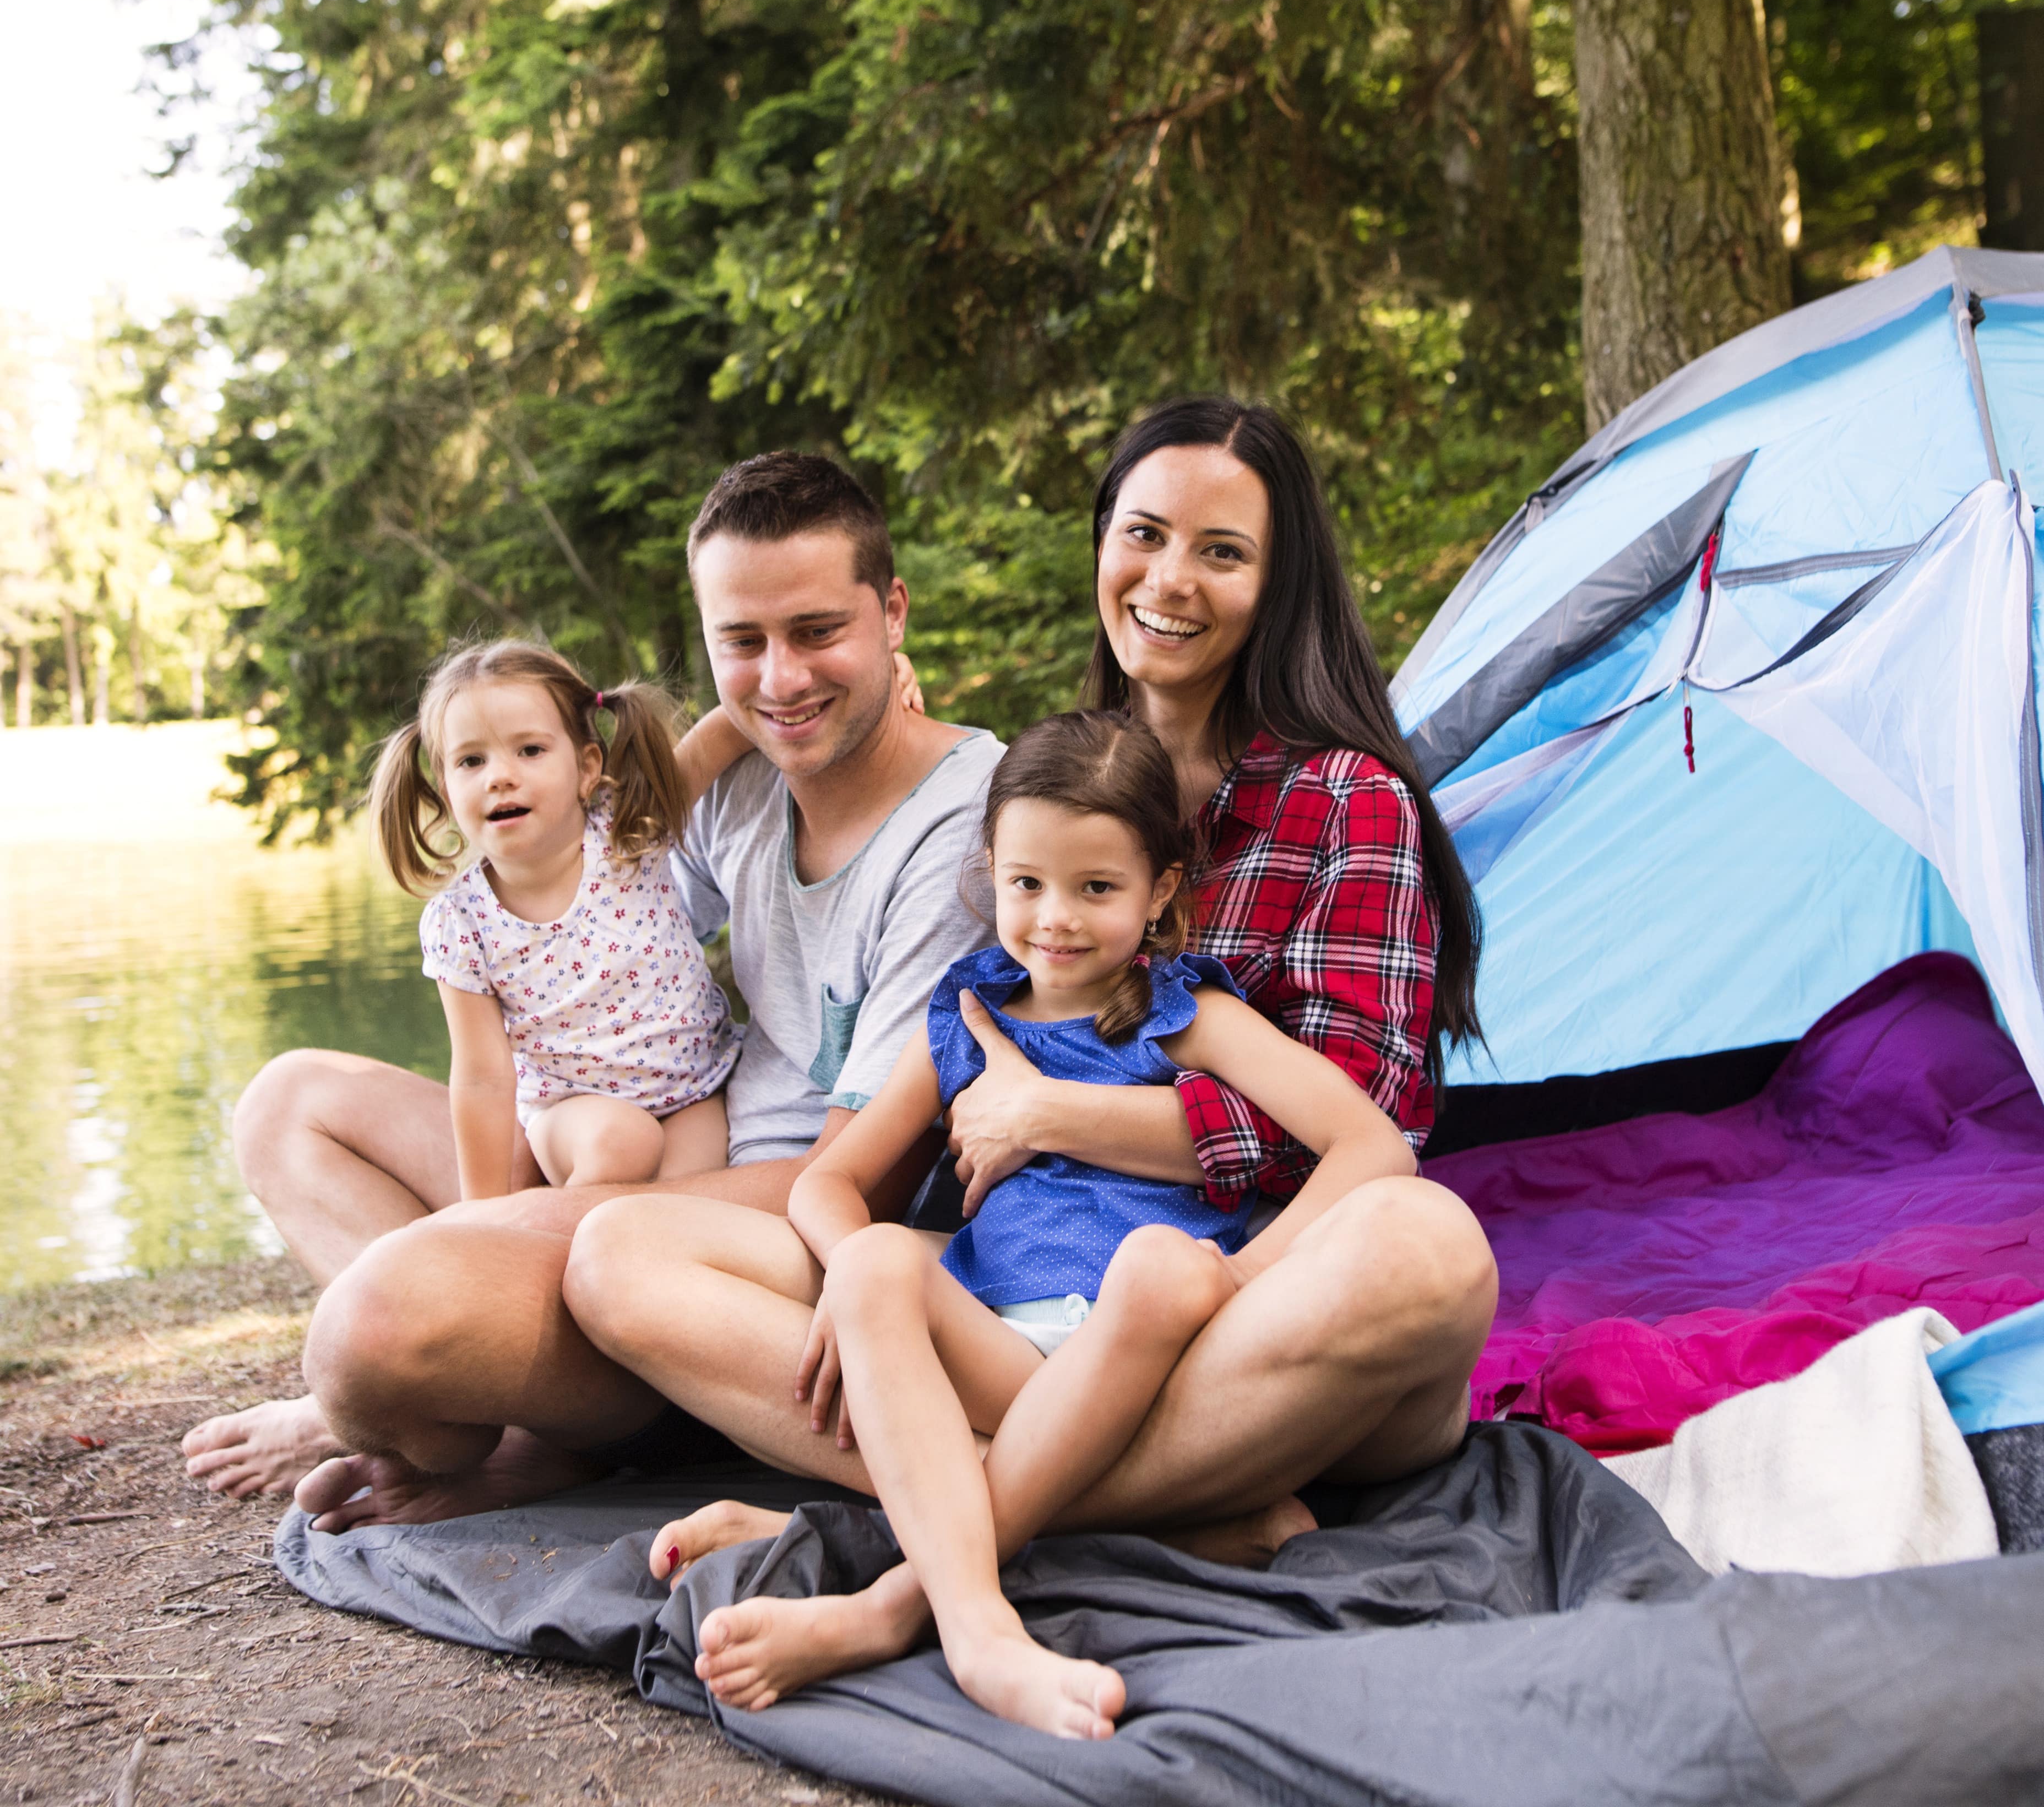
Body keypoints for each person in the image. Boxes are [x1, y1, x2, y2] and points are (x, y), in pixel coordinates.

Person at [567, 394, 1496, 1584]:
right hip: (1011, 1296)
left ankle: (904, 1535)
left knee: (1427, 1249)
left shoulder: (1341, 798)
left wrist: (1053, 1117)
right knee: (616, 1251)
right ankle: (1137, 1512)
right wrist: (721, 731)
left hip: (1242, 1304)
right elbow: (897, 1116)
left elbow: (1368, 1130)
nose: (1169, 578)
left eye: (1222, 551)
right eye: (1144, 534)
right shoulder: (1050, 774)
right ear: (1102, 540)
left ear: (1278, 582)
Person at [181, 452, 1003, 1514]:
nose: (781, 679)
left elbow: (869, 1175)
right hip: (639, 1168)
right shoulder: (751, 775)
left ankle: (497, 1407)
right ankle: (521, 1404)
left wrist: (542, 1224)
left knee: (366, 1337)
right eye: (740, 643)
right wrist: (533, 1170)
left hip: (770, 1244)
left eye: (817, 632)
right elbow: (608, 900)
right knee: (288, 1106)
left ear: (892, 613)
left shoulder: (965, 834)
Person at [648, 710, 1423, 1736]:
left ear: (1159, 894)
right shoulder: (970, 1010)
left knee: (1161, 1265)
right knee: (879, 1260)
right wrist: (846, 1268)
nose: (1054, 918)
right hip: (1001, 1347)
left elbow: (1372, 1145)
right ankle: (1003, 1602)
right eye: (1027, 884)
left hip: (1154, 1355)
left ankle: (902, 1601)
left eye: (1096, 888)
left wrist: (1243, 1279)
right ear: (991, 872)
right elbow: (825, 1186)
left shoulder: (1184, 1014)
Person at [373, 641, 746, 1194]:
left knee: (680, 1204)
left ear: (586, 767)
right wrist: (483, 1212)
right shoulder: (462, 922)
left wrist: (883, 684)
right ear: (447, 790)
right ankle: (545, 1238)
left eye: (529, 750)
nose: (499, 776)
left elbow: (730, 729)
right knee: (623, 1141)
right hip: (573, 1115)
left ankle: (591, 1262)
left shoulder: (631, 834)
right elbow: (480, 1078)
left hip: (697, 1089)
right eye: (471, 761)